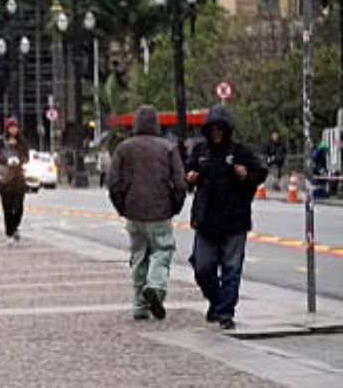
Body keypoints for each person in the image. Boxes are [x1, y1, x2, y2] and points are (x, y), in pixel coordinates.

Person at [186, 105, 267, 330]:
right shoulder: (200, 151)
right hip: (206, 220)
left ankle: (225, 312)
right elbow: (186, 174)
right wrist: (190, 178)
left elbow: (260, 173)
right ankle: (217, 300)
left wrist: (246, 176)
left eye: (221, 128)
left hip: (234, 219)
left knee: (232, 268)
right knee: (202, 266)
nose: (217, 133)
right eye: (213, 129)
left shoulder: (240, 151)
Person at [107, 106, 188, 320]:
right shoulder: (168, 148)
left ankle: (140, 306)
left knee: (138, 255)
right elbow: (180, 184)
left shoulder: (123, 149)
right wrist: (175, 206)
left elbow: (113, 183)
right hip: (160, 211)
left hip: (133, 211)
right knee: (162, 250)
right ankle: (155, 286)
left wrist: (122, 207)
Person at [0, 117, 31, 245]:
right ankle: (9, 232)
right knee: (7, 208)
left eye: (15, 127)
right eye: (11, 127)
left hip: (19, 177)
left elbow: (26, 155)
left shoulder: (22, 141)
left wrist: (19, 160)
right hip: (5, 179)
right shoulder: (1, 142)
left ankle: (15, 226)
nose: (13, 129)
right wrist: (6, 161)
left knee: (19, 207)